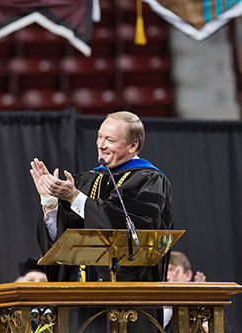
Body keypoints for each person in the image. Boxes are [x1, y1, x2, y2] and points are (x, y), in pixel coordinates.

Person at [30, 111, 174, 332]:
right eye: (99, 137)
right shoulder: (86, 181)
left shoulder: (150, 180)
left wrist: (75, 198)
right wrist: (50, 204)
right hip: (83, 303)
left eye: (110, 140)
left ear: (133, 145)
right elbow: (63, 242)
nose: (101, 145)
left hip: (131, 303)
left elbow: (132, 231)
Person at [164, 251, 232, 333]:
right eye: (165, 271)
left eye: (172, 269)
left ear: (188, 275)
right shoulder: (159, 307)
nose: (167, 276)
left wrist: (204, 299)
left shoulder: (207, 306)